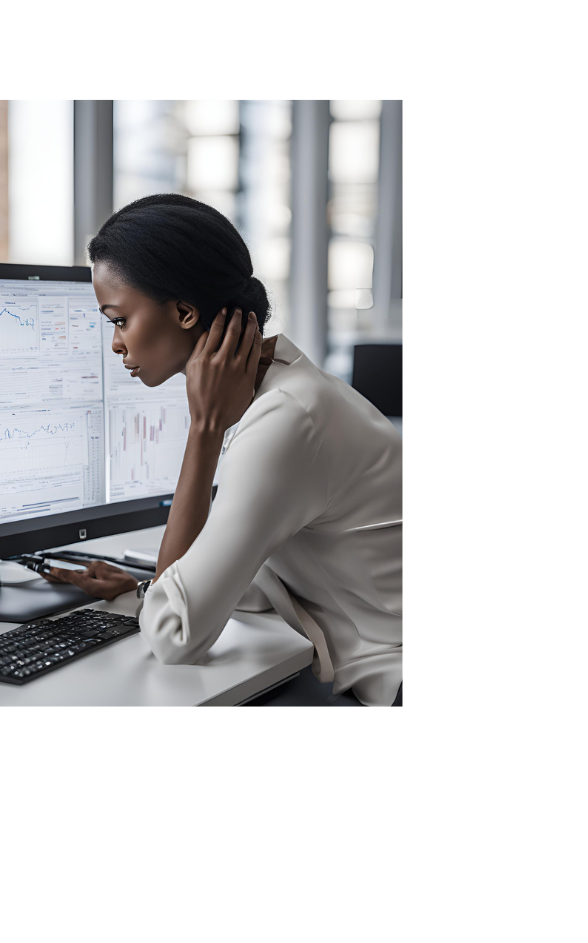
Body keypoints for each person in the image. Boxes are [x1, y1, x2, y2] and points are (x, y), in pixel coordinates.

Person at [35, 193, 403, 708]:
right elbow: (272, 573)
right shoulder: (285, 388)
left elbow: (173, 638)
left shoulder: (284, 421)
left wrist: (203, 430)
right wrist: (147, 589)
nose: (116, 344)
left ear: (185, 312)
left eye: (118, 320)